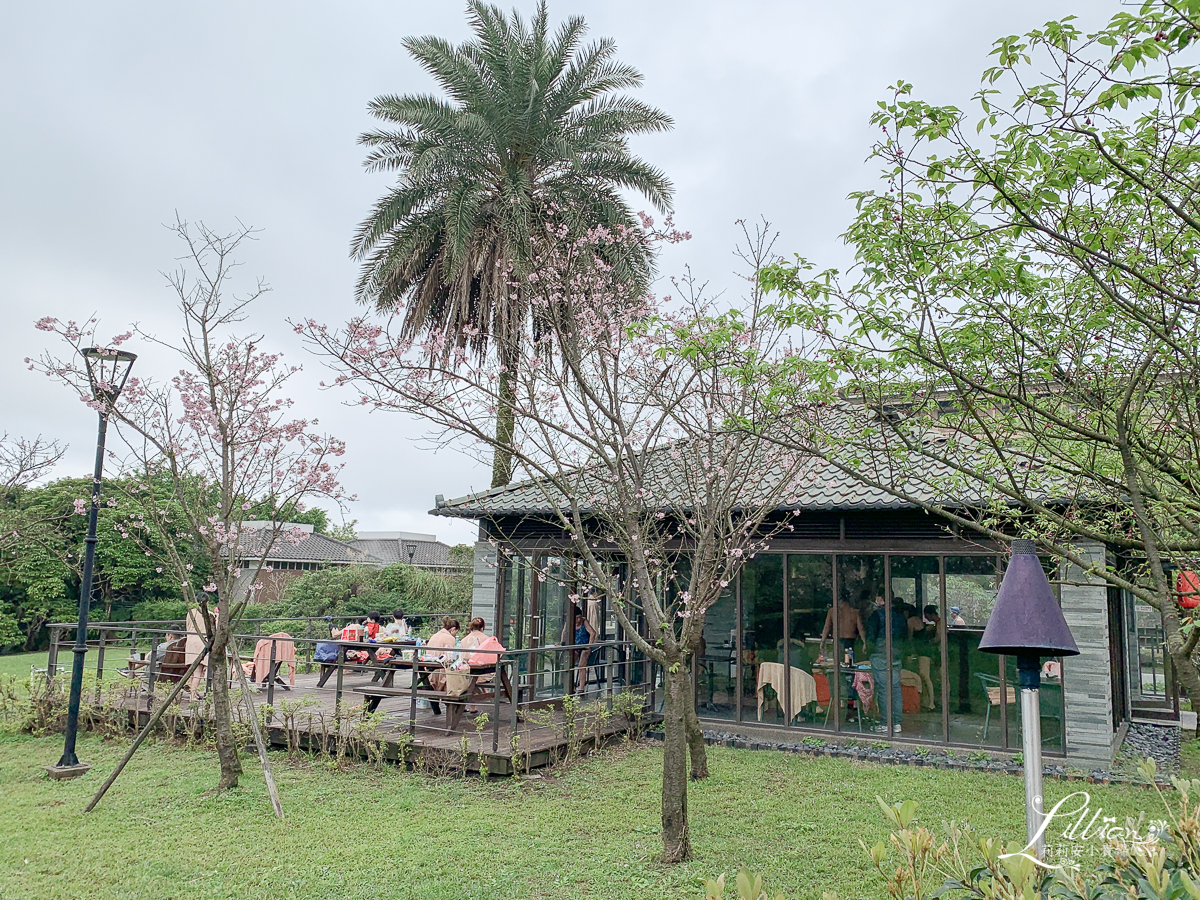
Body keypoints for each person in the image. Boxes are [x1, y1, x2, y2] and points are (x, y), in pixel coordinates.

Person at [866, 592, 907, 733]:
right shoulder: (900, 616)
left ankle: (885, 722)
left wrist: (869, 651)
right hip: (896, 655)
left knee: (884, 689)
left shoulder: (876, 615)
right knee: (895, 688)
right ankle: (897, 723)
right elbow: (905, 636)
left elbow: (870, 636)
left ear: (880, 598)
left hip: (880, 654)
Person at [818, 597, 866, 661]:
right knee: (849, 661)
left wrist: (823, 641)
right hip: (850, 640)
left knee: (838, 662)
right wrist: (864, 642)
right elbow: (861, 628)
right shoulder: (854, 612)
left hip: (838, 640)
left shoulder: (832, 611)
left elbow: (827, 627)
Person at [424, 616, 460, 691]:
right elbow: (449, 658)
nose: (455, 635)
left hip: (428, 670)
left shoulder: (435, 635)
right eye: (456, 632)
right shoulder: (450, 638)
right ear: (453, 629)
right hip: (440, 673)